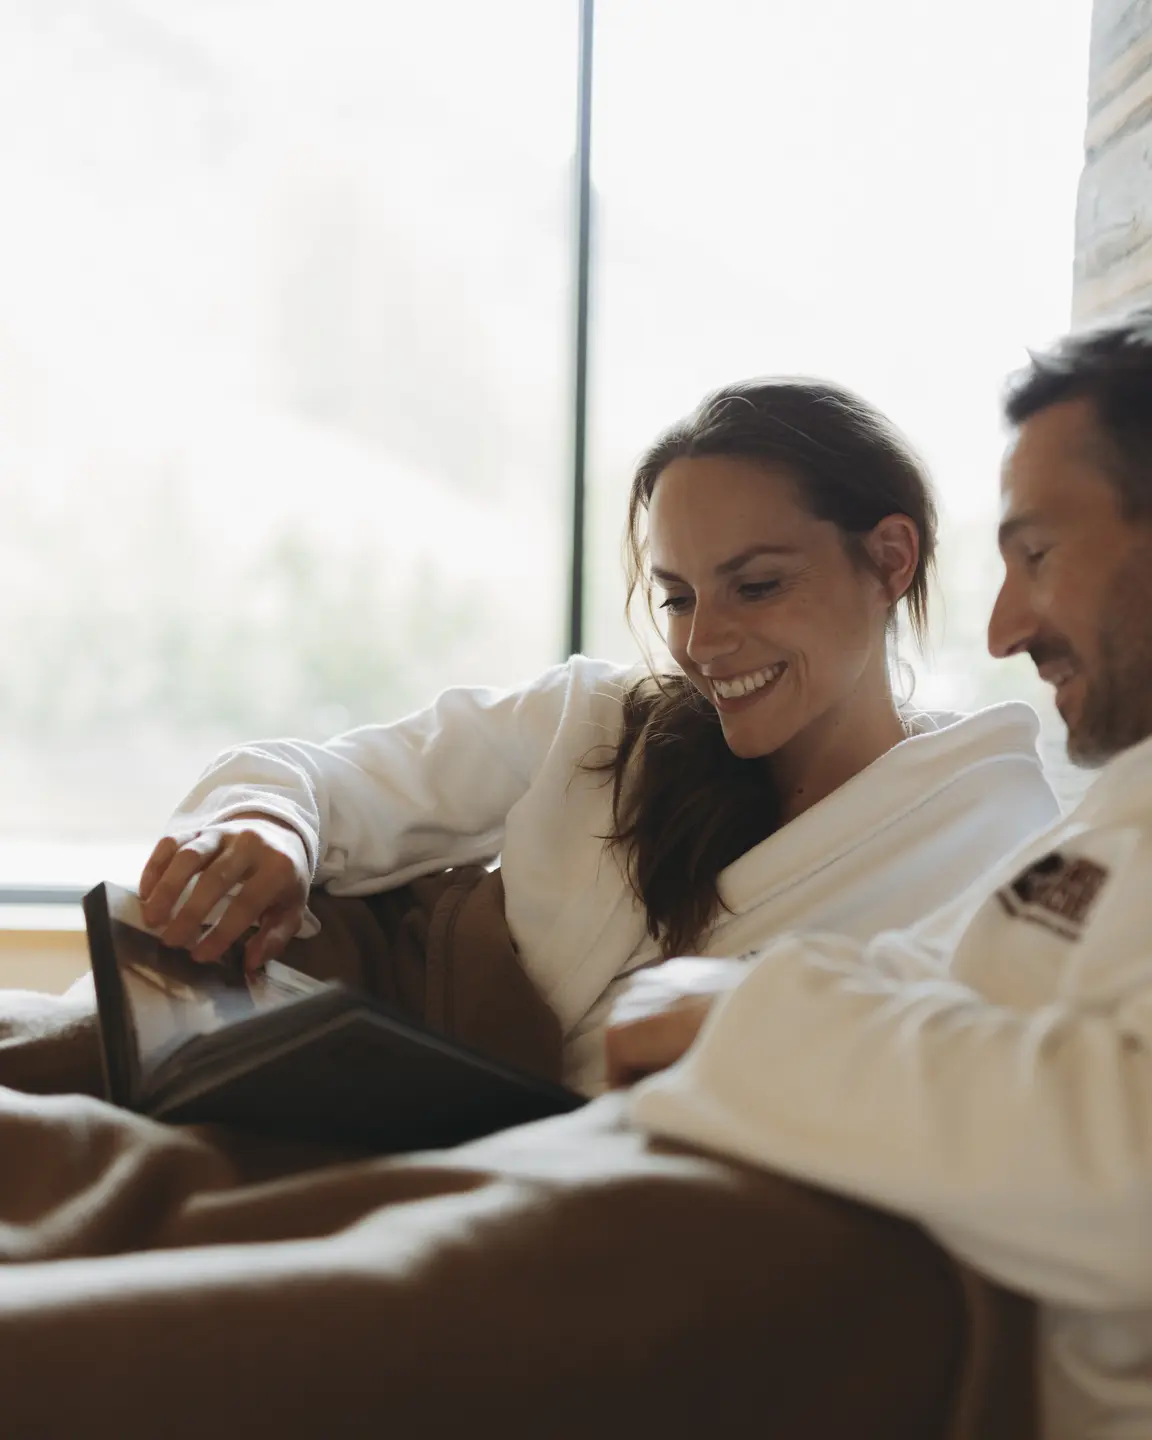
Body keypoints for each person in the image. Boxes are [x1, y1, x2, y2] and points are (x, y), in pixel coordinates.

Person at [136, 378, 1056, 1094]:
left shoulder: (985, 832)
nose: (701, 642)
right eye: (678, 596)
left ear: (890, 559)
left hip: (605, 1194)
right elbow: (328, 778)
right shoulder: (605, 725)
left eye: (757, 585)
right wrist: (269, 823)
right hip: (373, 1051)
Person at [613, 305, 1152, 1438]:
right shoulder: (1109, 819)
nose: (1004, 628)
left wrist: (748, 1014)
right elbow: (926, 971)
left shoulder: (1004, 807)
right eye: (676, 595)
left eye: (1040, 555)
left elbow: (1128, 1176)